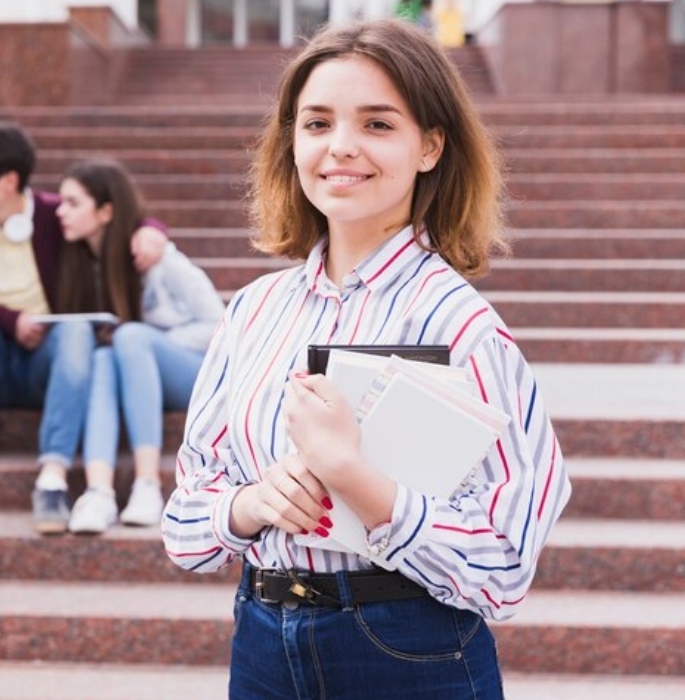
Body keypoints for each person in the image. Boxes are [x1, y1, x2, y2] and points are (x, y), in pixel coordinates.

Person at [161, 19, 571, 698]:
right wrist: (252, 502)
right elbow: (185, 524)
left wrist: (353, 476)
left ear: (431, 146)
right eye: (317, 123)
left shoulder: (459, 325)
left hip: (406, 649)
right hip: (263, 638)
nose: (340, 148)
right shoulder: (255, 312)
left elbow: (502, 568)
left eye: (377, 125)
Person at [0, 121, 167, 535]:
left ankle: (51, 480)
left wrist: (151, 231)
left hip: (48, 366)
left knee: (73, 330)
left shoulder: (57, 215)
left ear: (9, 181)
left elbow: (120, 215)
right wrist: (10, 320)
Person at [53, 159, 225, 535]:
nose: (59, 211)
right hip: (136, 376)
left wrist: (147, 340)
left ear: (105, 211)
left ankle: (148, 484)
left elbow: (219, 326)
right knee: (101, 356)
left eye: (71, 202)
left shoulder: (161, 259)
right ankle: (98, 491)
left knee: (130, 337)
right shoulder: (82, 262)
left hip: (192, 372)